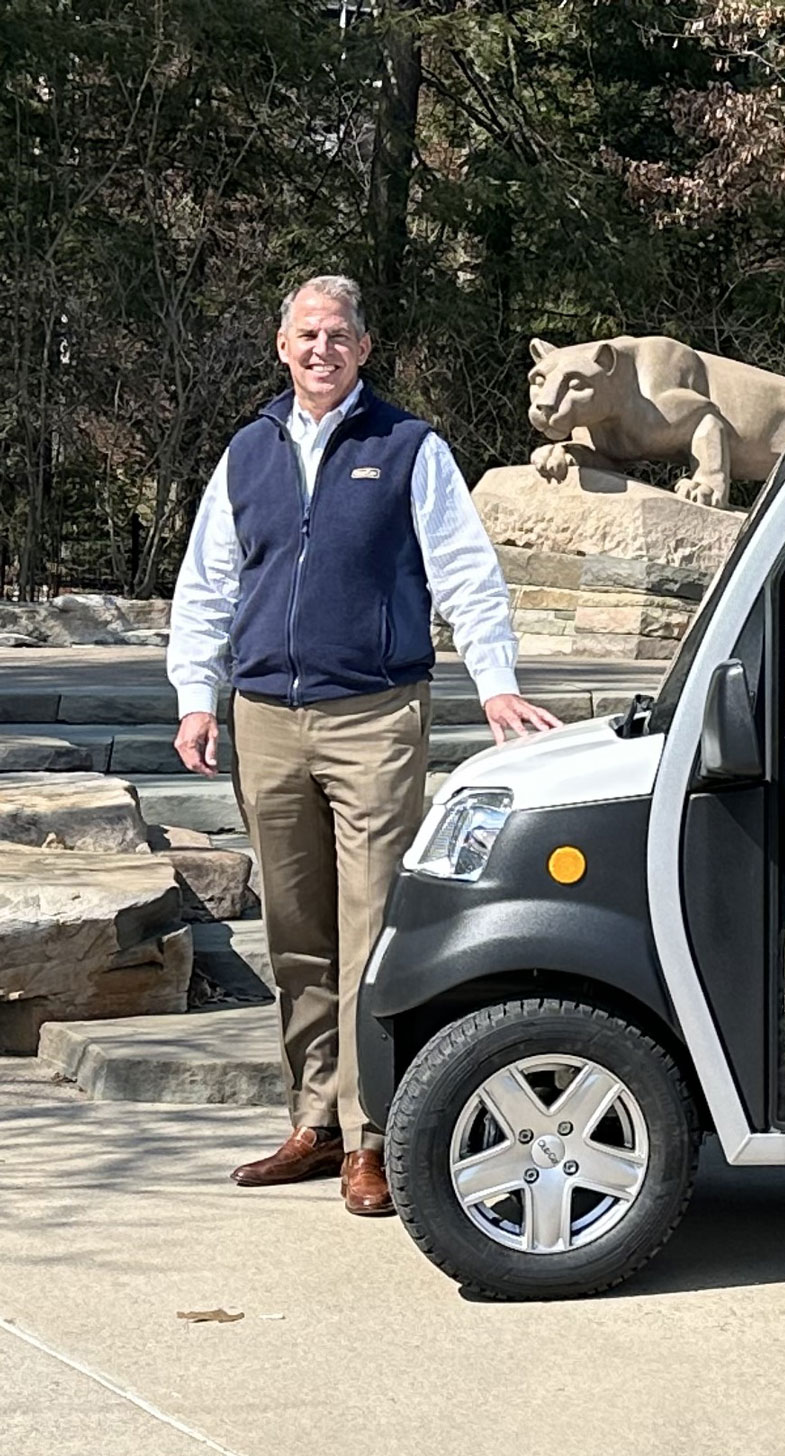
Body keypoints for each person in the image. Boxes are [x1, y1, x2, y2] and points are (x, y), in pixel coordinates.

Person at [168, 274, 562, 1215]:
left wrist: (496, 683)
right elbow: (207, 585)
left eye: (337, 335)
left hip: (375, 718)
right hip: (265, 719)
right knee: (297, 938)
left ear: (364, 348)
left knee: (374, 933)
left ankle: (374, 1135)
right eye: (306, 334)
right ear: (281, 344)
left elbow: (465, 571)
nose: (320, 349)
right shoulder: (246, 453)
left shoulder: (408, 448)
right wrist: (196, 697)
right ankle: (312, 1121)